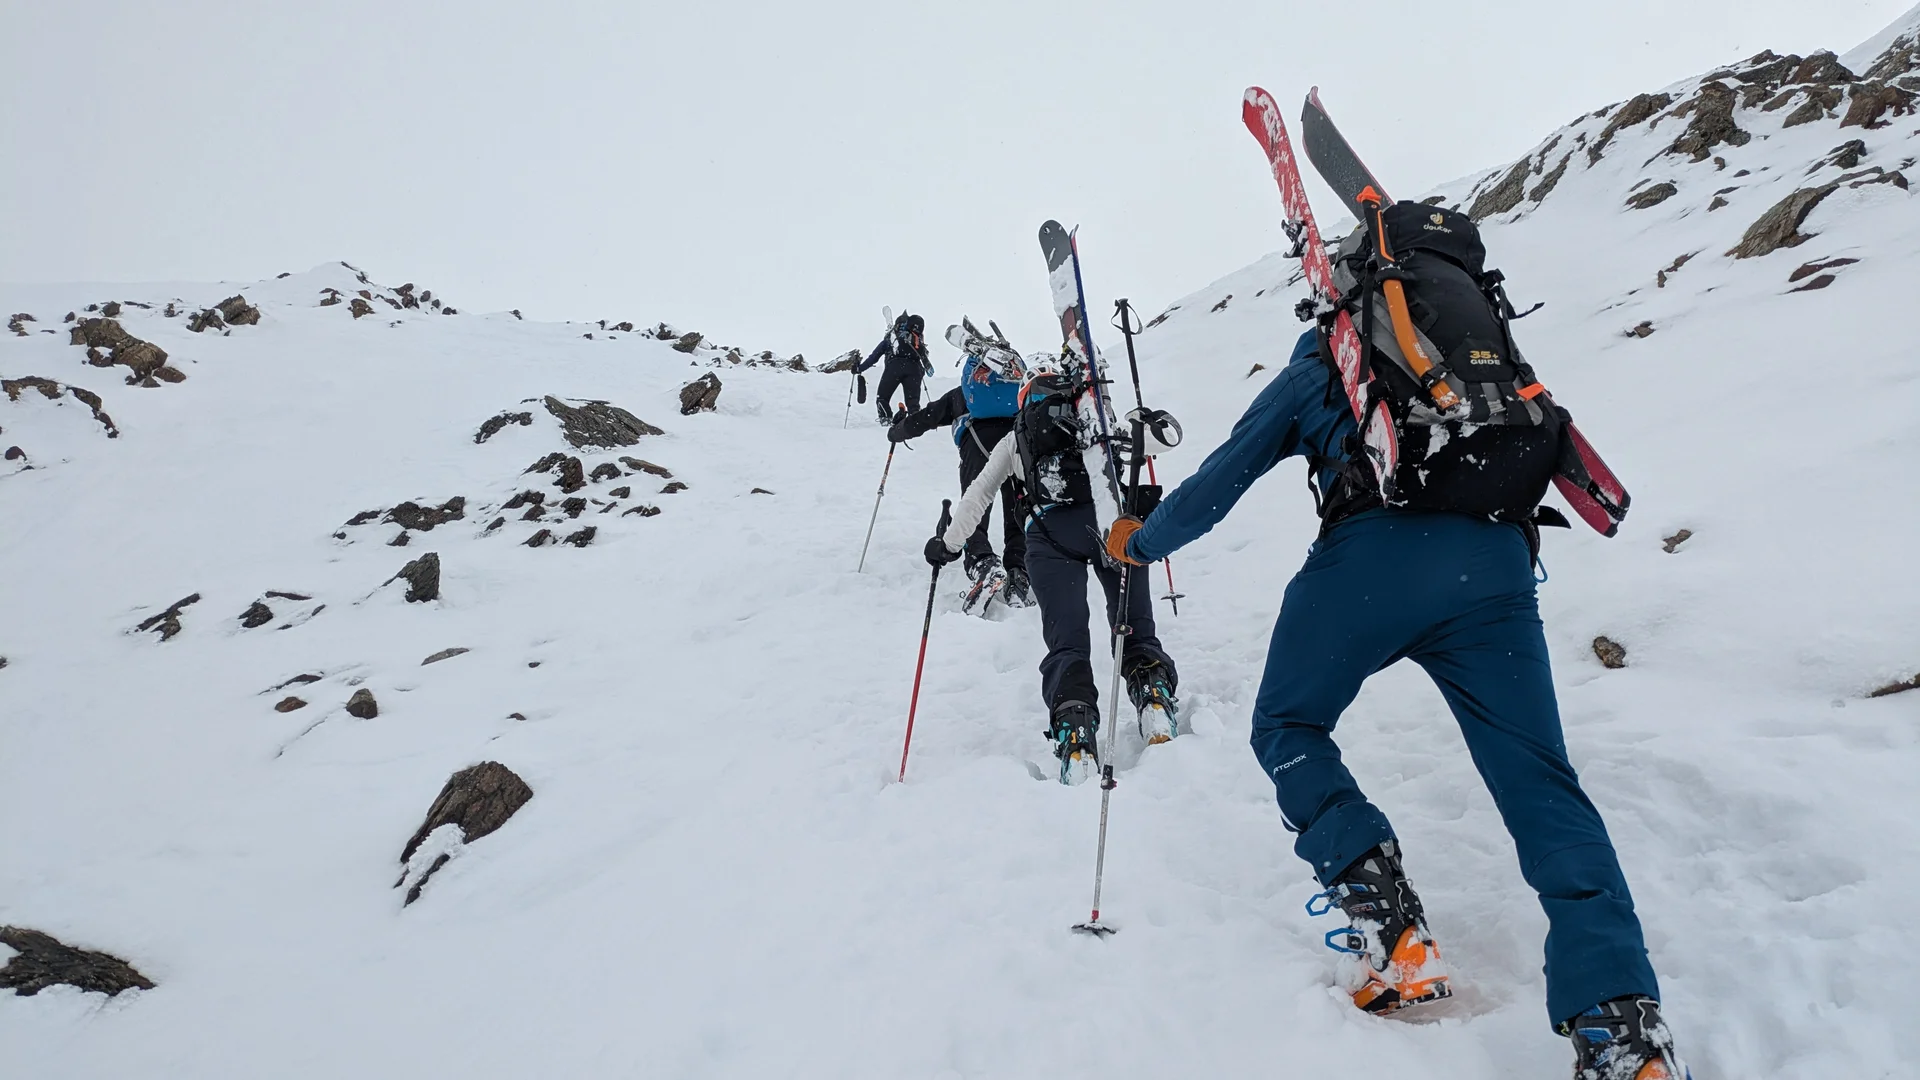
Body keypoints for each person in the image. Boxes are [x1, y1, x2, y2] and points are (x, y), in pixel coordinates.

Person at [1102, 328, 1689, 1080]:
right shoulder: (1483, 369)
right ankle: (1623, 1032)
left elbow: (1219, 481)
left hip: (1371, 564)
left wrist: (1140, 544)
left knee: (1289, 723)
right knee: (1541, 782)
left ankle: (1394, 934)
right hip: (1497, 567)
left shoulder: (1320, 367)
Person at [925, 352, 1178, 783]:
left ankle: (1076, 735)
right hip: (1113, 527)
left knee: (1068, 642)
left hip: (1049, 536)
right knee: (1134, 625)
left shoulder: (1018, 436)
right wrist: (1147, 422)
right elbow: (1162, 439)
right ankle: (1153, 698)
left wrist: (948, 546)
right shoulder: (1094, 420)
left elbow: (978, 495)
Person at [889, 326, 1030, 606]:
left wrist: (897, 431)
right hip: (1017, 443)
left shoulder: (961, 395)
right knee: (1018, 509)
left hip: (976, 444)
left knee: (975, 505)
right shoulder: (1016, 388)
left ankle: (983, 562)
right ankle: (1019, 571)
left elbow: (927, 418)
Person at [858, 312, 932, 423]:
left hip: (894, 367)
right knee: (913, 403)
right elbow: (924, 358)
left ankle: (886, 419)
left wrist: (859, 368)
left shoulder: (892, 339)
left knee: (882, 397)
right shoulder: (916, 340)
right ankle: (915, 423)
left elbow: (874, 357)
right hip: (914, 369)